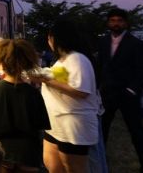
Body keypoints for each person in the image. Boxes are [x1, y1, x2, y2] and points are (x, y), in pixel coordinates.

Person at [36, 18, 99, 173]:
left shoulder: (77, 59)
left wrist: (45, 80)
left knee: (74, 168)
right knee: (53, 165)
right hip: (56, 124)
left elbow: (81, 91)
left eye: (49, 37)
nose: (48, 41)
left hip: (73, 125)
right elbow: (59, 81)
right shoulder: (62, 61)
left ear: (55, 38)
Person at [0, 39, 50, 172]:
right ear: (27, 64)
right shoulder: (33, 93)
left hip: (0, 154)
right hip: (29, 155)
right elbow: (41, 126)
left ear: (2, 63)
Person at [96, 8, 143, 172]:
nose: (116, 23)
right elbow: (99, 66)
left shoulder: (136, 44)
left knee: (136, 131)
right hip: (107, 94)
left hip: (128, 95)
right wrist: (98, 87)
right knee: (102, 131)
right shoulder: (103, 42)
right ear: (108, 22)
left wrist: (133, 89)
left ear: (125, 23)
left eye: (119, 20)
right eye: (112, 20)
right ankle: (100, 163)